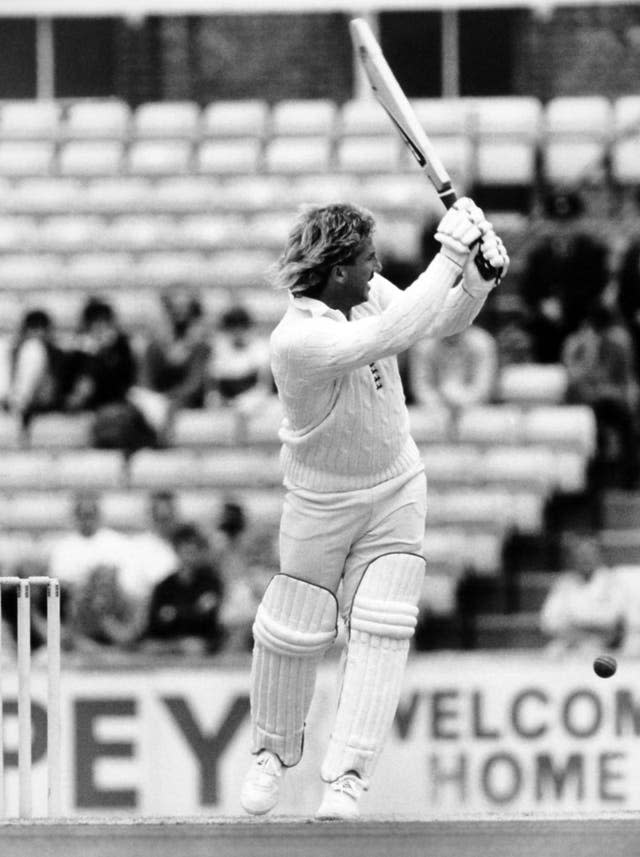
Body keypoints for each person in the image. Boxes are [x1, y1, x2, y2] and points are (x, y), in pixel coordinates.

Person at [239, 198, 509, 819]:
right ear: (336, 270)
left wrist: (474, 281)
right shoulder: (297, 340)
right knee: (294, 629)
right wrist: (449, 253)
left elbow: (438, 323)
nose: (376, 267)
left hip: (395, 486)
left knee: (384, 627)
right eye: (366, 259)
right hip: (318, 500)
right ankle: (271, 756)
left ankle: (347, 779)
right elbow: (385, 337)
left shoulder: (364, 293)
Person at [562, 300, 639, 488]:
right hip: (587, 401)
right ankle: (595, 479)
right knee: (592, 424)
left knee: (623, 422)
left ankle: (625, 478)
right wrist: (588, 351)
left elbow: (622, 379)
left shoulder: (617, 341)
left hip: (609, 400)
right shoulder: (578, 343)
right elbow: (574, 378)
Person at [143, 522, 226, 655]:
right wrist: (194, 610)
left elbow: (207, 620)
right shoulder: (164, 586)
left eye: (194, 551)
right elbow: (155, 623)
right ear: (176, 550)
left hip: (200, 642)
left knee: (194, 647)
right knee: (149, 647)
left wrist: (174, 613)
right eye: (186, 550)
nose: (189, 556)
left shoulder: (211, 583)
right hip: (168, 642)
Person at [540, 535, 624, 656]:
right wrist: (579, 631)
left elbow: (610, 621)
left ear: (600, 556)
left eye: (589, 554)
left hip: (603, 646)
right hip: (568, 642)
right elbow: (548, 622)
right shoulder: (563, 583)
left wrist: (574, 624)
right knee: (552, 652)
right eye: (580, 554)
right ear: (572, 558)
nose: (585, 559)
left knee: (590, 652)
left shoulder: (613, 582)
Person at [408, 324, 498, 422]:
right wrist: (438, 405)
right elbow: (421, 387)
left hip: (474, 408)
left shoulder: (482, 342)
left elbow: (483, 388)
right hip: (433, 409)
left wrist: (461, 401)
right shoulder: (424, 345)